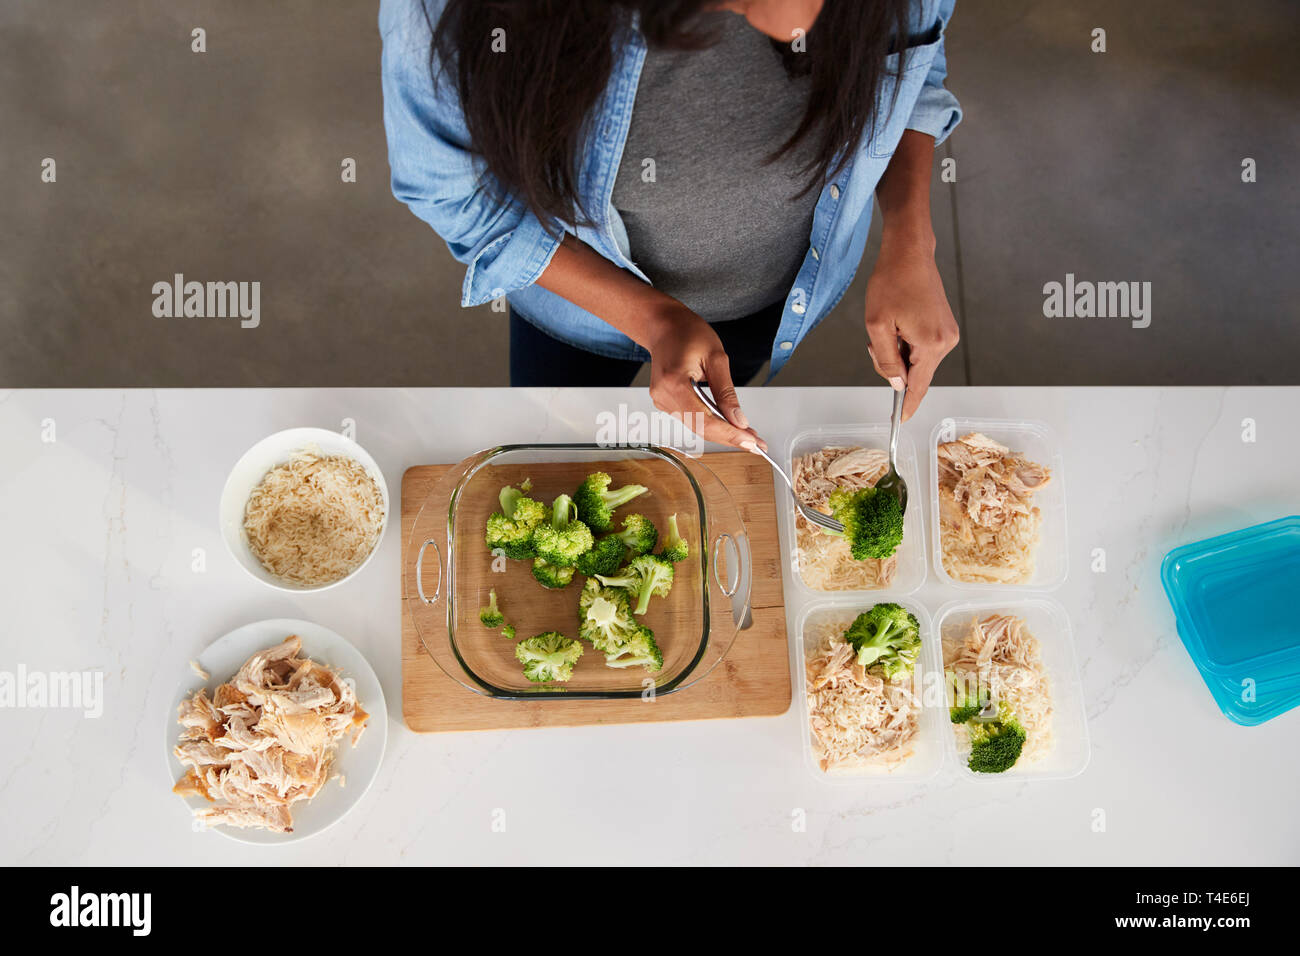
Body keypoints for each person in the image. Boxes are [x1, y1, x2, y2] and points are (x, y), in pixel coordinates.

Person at [381, 0, 962, 448]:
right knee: (557, 434)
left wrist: (912, 241)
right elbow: (452, 189)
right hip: (570, 305)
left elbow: (911, 63)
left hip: (772, 293)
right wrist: (652, 318)